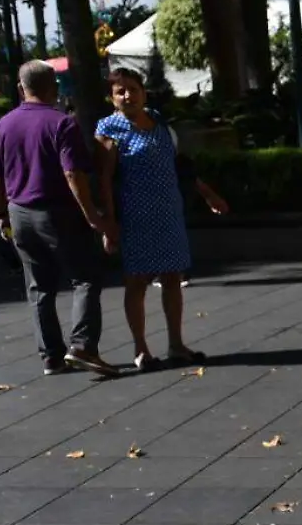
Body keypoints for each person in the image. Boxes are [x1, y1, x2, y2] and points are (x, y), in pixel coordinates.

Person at [0, 61, 117, 377]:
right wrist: (93, 216)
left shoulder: (3, 125)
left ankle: (51, 357)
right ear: (54, 87)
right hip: (58, 213)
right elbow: (73, 172)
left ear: (20, 88)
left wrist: (1, 215)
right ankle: (83, 346)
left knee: (39, 287)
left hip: (20, 212)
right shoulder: (62, 124)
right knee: (85, 277)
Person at [95, 68, 227, 372]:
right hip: (135, 217)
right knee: (137, 282)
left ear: (144, 91)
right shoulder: (109, 129)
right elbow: (103, 181)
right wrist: (109, 224)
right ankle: (141, 348)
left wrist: (208, 194)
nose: (127, 95)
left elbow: (177, 166)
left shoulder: (158, 120)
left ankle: (176, 344)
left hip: (169, 212)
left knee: (171, 277)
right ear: (112, 98)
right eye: (120, 91)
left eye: (132, 88)